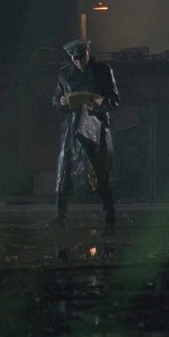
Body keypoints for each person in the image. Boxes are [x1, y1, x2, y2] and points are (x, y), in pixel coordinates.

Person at [49, 38, 120, 234]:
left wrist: (98, 103)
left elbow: (114, 99)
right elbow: (55, 99)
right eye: (75, 59)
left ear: (88, 53)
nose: (78, 62)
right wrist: (61, 101)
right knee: (65, 171)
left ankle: (110, 215)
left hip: (96, 127)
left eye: (81, 57)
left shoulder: (103, 71)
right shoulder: (64, 74)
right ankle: (60, 215)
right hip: (72, 128)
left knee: (101, 171)